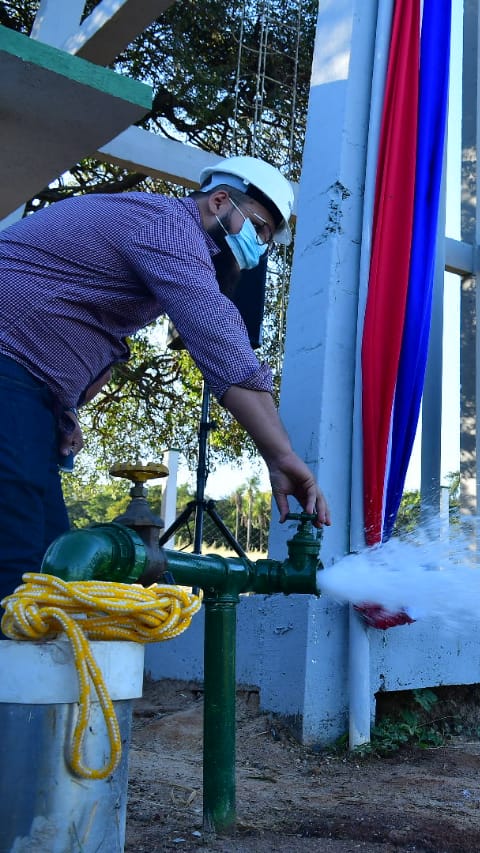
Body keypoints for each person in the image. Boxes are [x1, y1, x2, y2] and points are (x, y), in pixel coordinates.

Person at [0, 156, 331, 601]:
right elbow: (221, 343)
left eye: (268, 238)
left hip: (27, 387)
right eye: (259, 228)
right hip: (9, 375)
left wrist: (63, 407)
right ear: (219, 201)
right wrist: (281, 455)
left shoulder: (153, 228)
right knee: (17, 562)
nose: (260, 246)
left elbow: (73, 312)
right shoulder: (168, 228)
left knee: (49, 564)